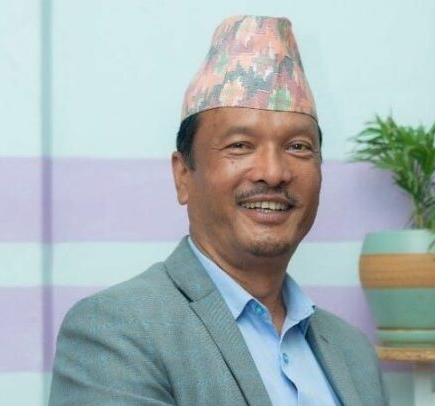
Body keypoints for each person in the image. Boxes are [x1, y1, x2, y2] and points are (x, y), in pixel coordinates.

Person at [49, 15, 387, 406]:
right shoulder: (115, 331)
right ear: (183, 176)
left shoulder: (353, 352)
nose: (273, 172)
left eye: (298, 147)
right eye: (240, 145)